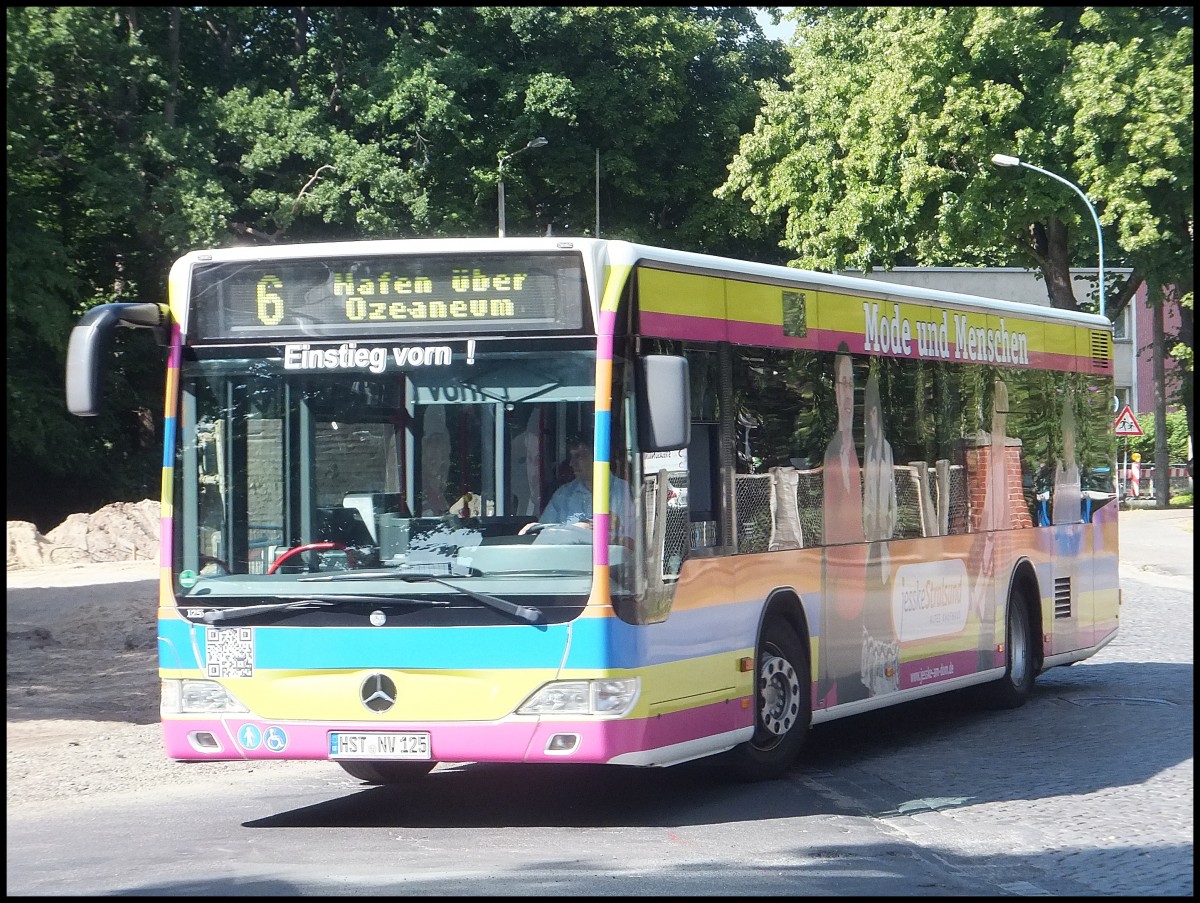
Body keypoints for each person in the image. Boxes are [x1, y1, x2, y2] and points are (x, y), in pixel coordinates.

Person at [527, 432, 634, 541]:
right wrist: (578, 528)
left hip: (608, 557)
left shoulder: (623, 492)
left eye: (579, 456)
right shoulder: (563, 495)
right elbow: (543, 538)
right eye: (571, 457)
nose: (572, 463)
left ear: (598, 457)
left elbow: (633, 543)